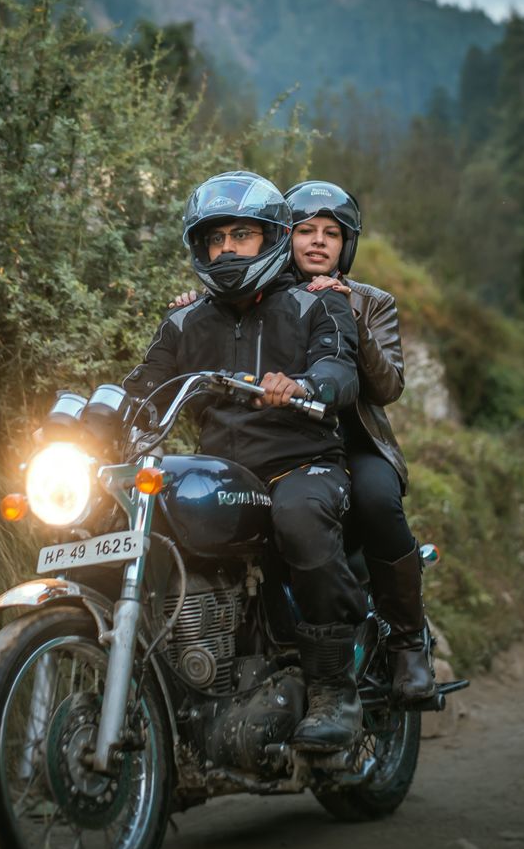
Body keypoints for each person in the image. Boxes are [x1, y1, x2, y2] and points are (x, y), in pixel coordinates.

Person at [125, 169, 367, 751]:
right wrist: (91, 417)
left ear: (271, 237)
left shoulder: (316, 303)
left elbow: (339, 370)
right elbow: (142, 386)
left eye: (241, 235)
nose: (227, 250)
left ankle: (334, 690)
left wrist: (306, 384)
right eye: (216, 239)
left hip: (301, 465)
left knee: (299, 516)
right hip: (224, 475)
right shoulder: (185, 320)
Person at [283, 181, 435, 703]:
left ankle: (408, 642)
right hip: (289, 442)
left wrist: (351, 317)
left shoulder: (374, 301)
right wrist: (194, 303)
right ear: (286, 237)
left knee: (376, 501)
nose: (318, 242)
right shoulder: (268, 296)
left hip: (358, 442)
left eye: (331, 234)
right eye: (306, 231)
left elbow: (388, 387)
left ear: (346, 245)